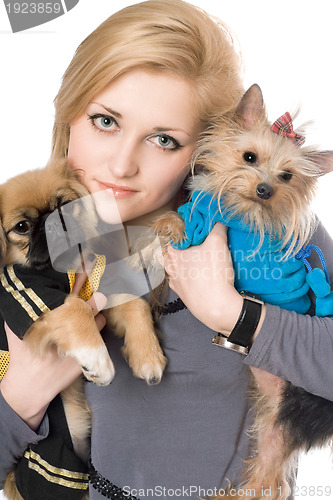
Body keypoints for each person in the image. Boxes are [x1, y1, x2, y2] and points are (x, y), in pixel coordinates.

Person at [1, 1, 333, 499]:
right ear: (70, 113)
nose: (121, 165)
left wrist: (235, 315)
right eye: (105, 122)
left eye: (162, 139)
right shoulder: (22, 233)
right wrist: (21, 395)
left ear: (206, 146)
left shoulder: (262, 228)